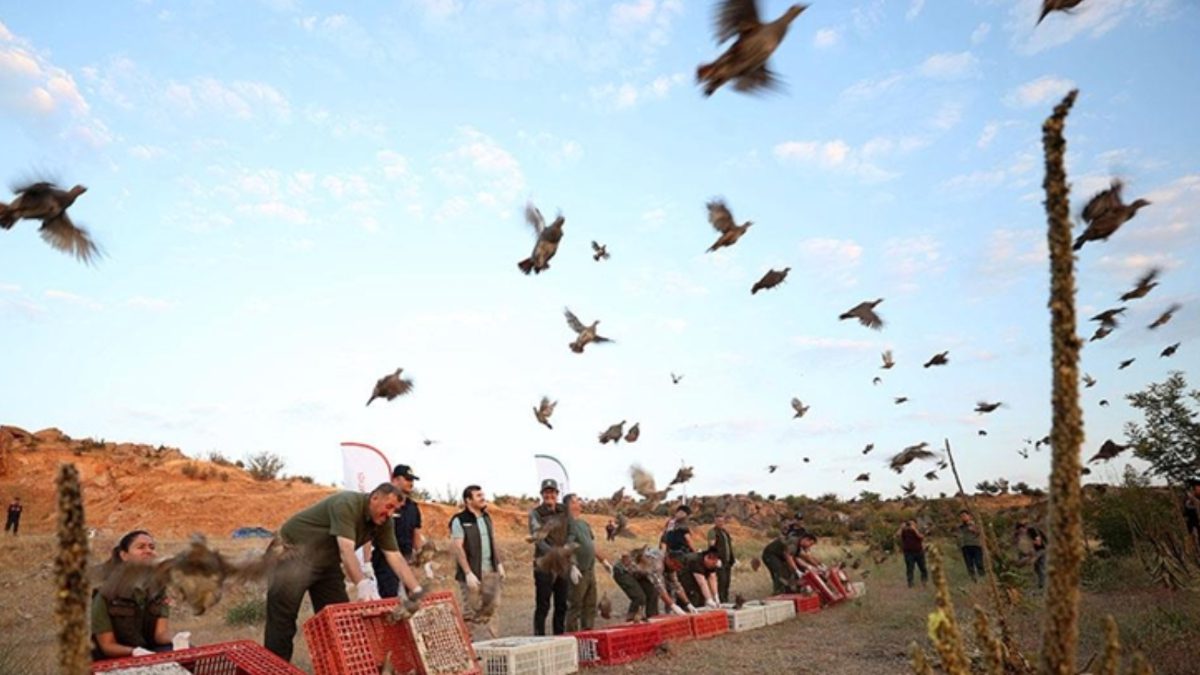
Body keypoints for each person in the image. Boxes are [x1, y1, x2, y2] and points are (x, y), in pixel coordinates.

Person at [265, 483, 424, 662]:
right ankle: (275, 667)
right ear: (374, 498)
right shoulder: (347, 504)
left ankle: (334, 667)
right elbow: (346, 550)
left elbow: (394, 555)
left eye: (394, 510)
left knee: (339, 620)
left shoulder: (385, 521)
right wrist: (363, 585)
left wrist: (416, 590)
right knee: (283, 621)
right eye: (388, 507)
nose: (390, 514)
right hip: (291, 553)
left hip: (325, 561)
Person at [91, 530, 175, 659]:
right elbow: (107, 646)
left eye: (151, 547)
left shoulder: (159, 590)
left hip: (148, 654)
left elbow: (160, 635)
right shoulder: (106, 593)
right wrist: (135, 652)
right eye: (141, 547)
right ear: (124, 555)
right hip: (114, 660)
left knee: (187, 652)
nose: (148, 551)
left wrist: (176, 640)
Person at [451, 484, 505, 641]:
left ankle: (495, 646)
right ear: (468, 500)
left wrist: (499, 564)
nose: (483, 498)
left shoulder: (486, 517)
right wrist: (468, 573)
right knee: (470, 612)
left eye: (483, 495)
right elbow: (458, 547)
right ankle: (470, 648)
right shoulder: (459, 520)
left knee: (493, 608)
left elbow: (492, 541)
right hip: (472, 574)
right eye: (478, 496)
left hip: (490, 572)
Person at [366, 464, 424, 598]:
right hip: (385, 559)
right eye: (407, 479)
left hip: (407, 559)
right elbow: (368, 532)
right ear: (396, 480)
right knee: (390, 599)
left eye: (412, 480)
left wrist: (424, 560)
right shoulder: (382, 504)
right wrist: (366, 561)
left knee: (412, 600)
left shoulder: (413, 507)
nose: (411, 483)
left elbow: (416, 535)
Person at [563, 493, 610, 632]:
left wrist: (604, 561)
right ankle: (572, 637)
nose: (579, 503)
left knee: (590, 605)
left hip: (590, 571)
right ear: (569, 505)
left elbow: (591, 545)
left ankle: (588, 634)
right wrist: (572, 566)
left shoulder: (584, 524)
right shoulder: (566, 525)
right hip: (578, 572)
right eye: (576, 501)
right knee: (575, 606)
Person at [529, 478, 568, 636]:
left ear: (557, 494)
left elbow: (571, 532)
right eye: (546, 492)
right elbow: (538, 539)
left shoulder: (564, 511)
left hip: (563, 565)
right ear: (542, 494)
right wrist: (555, 554)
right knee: (543, 605)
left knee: (562, 604)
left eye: (552, 492)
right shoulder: (536, 513)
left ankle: (559, 638)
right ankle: (539, 639)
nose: (549, 495)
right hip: (544, 564)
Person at [706, 514, 736, 602]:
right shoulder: (713, 532)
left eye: (722, 521)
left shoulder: (725, 532)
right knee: (721, 581)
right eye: (719, 521)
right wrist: (715, 559)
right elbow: (712, 545)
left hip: (727, 561)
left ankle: (725, 599)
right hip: (719, 560)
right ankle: (721, 600)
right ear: (715, 521)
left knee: (727, 581)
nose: (721, 523)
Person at [1016, 518, 1047, 590]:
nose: (1021, 533)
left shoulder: (1033, 531)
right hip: (1036, 551)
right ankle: (1041, 584)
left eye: (1021, 530)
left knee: (1040, 567)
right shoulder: (1024, 534)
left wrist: (1028, 543)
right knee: (1037, 568)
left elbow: (1038, 542)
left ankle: (1043, 585)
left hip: (1042, 549)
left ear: (1024, 528)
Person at [897, 520, 928, 588]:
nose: (909, 526)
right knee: (910, 568)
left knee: (923, 567)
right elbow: (897, 535)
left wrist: (914, 529)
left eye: (911, 524)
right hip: (908, 553)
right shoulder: (904, 531)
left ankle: (924, 581)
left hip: (918, 552)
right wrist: (901, 528)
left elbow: (921, 537)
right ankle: (910, 583)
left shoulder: (918, 530)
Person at [957, 510, 985, 582]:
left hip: (975, 545)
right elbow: (958, 535)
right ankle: (973, 579)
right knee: (969, 564)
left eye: (964, 516)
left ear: (969, 516)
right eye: (961, 516)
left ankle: (982, 577)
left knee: (979, 562)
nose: (963, 518)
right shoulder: (960, 527)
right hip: (965, 546)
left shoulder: (975, 524)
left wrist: (973, 528)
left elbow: (980, 533)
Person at [1183, 479, 1200, 555]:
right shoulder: (1188, 498)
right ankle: (1189, 552)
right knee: (1189, 536)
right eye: (1196, 487)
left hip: (1198, 519)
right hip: (1191, 519)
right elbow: (1186, 508)